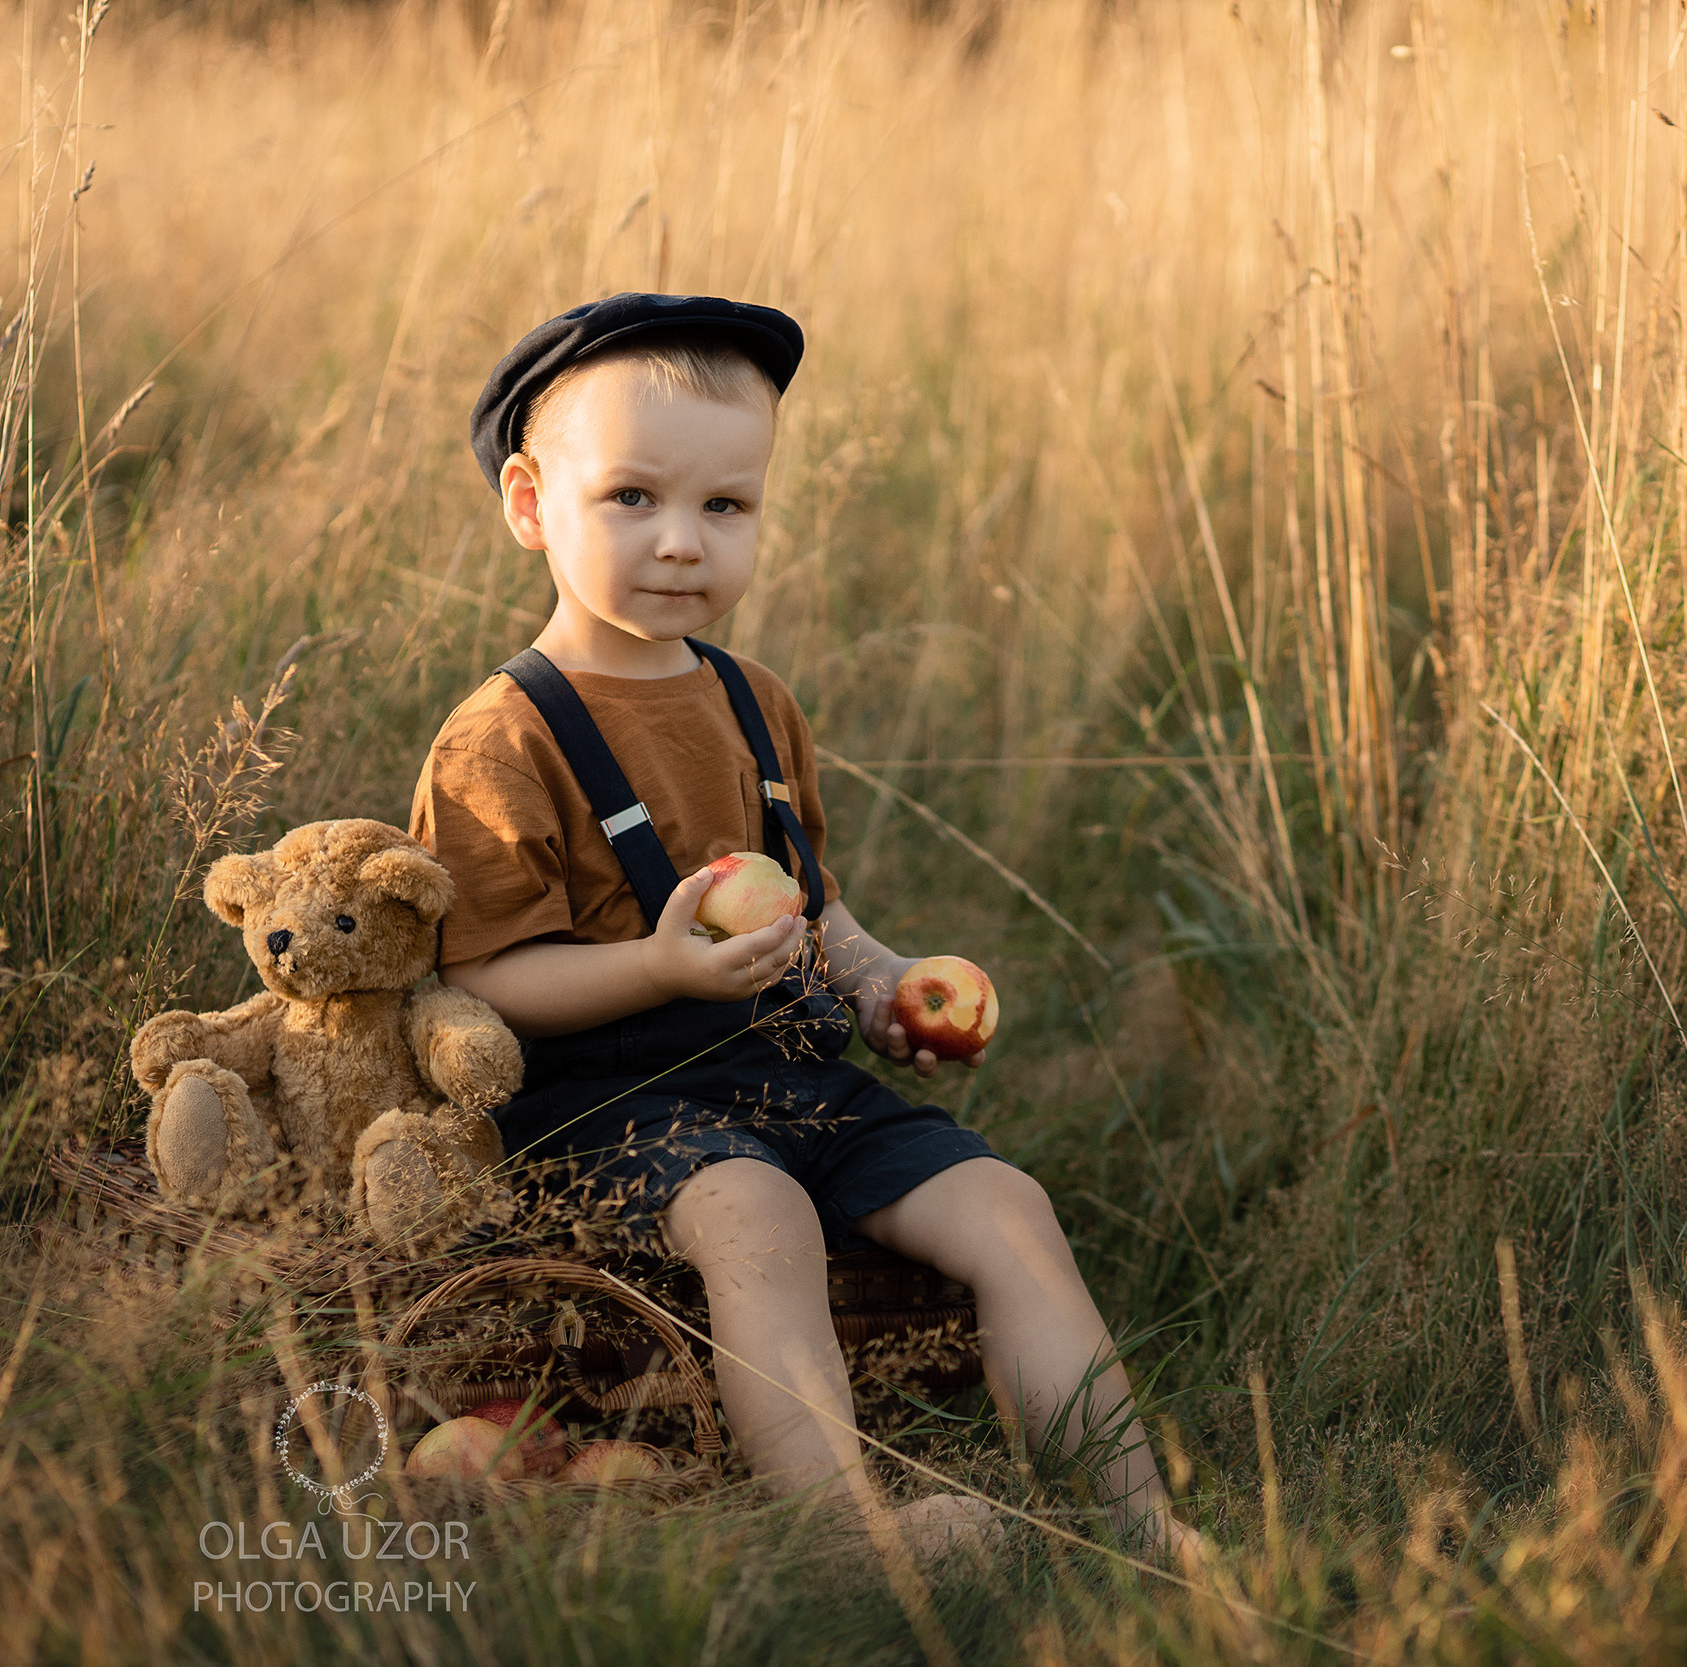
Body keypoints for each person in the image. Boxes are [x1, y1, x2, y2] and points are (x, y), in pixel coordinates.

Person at [410, 293, 1196, 1562]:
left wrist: (882, 983)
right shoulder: (499, 737)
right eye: (632, 500)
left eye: (725, 508)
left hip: (793, 1073)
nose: (681, 544)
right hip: (611, 1103)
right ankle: (846, 1532)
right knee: (756, 1218)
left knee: (1006, 1203)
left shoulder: (751, 698)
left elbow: (808, 902)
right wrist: (662, 964)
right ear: (528, 503)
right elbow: (489, 980)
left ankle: (1139, 1522)